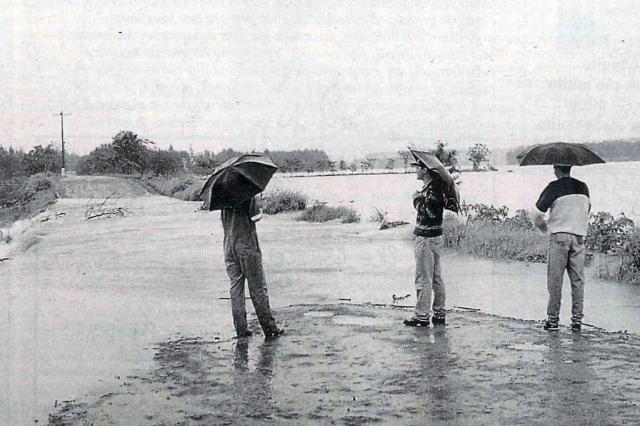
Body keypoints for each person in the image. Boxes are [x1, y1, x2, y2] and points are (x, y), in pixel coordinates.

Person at [532, 164, 590, 332]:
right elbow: (587, 209)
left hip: (559, 237)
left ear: (557, 169)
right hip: (579, 237)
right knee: (578, 281)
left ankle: (552, 320)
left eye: (554, 167)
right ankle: (577, 321)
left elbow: (536, 213)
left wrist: (543, 228)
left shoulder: (554, 187)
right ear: (570, 167)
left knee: (555, 280)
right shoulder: (583, 187)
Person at [221, 195, 283, 338]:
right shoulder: (247, 192)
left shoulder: (223, 195)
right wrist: (259, 205)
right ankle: (269, 328)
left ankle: (241, 329)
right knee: (257, 288)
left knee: (236, 289)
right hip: (247, 245)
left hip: (229, 246)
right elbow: (256, 216)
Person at [404, 162, 447, 327]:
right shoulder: (435, 188)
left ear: (425, 170)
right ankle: (439, 312)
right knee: (436, 277)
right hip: (435, 237)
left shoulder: (432, 190)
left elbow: (428, 213)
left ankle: (421, 316)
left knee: (424, 277)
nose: (415, 170)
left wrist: (416, 199)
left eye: (418, 167)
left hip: (426, 238)